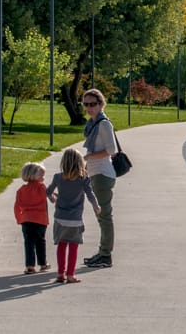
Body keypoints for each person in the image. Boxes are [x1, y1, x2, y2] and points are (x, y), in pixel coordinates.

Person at [46, 148, 100, 283]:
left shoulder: (58, 177)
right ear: (80, 163)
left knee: (61, 245)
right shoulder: (83, 179)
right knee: (73, 247)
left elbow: (48, 191)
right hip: (75, 219)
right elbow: (90, 195)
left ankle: (60, 273)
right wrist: (96, 207)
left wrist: (53, 199)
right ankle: (70, 274)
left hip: (60, 217)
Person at [80, 88, 117, 268]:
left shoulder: (104, 124)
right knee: (101, 216)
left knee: (104, 216)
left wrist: (89, 157)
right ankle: (102, 252)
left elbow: (112, 150)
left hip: (103, 174)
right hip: (95, 173)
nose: (89, 108)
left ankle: (105, 255)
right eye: (86, 104)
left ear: (101, 104)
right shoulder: (92, 123)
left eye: (93, 104)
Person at [13, 162, 50, 274]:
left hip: (26, 219)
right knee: (40, 241)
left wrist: (19, 218)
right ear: (34, 176)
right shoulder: (41, 187)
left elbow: (17, 206)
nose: (43, 177)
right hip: (40, 219)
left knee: (28, 243)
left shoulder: (21, 190)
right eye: (42, 175)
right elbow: (49, 195)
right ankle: (43, 264)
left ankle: (30, 266)